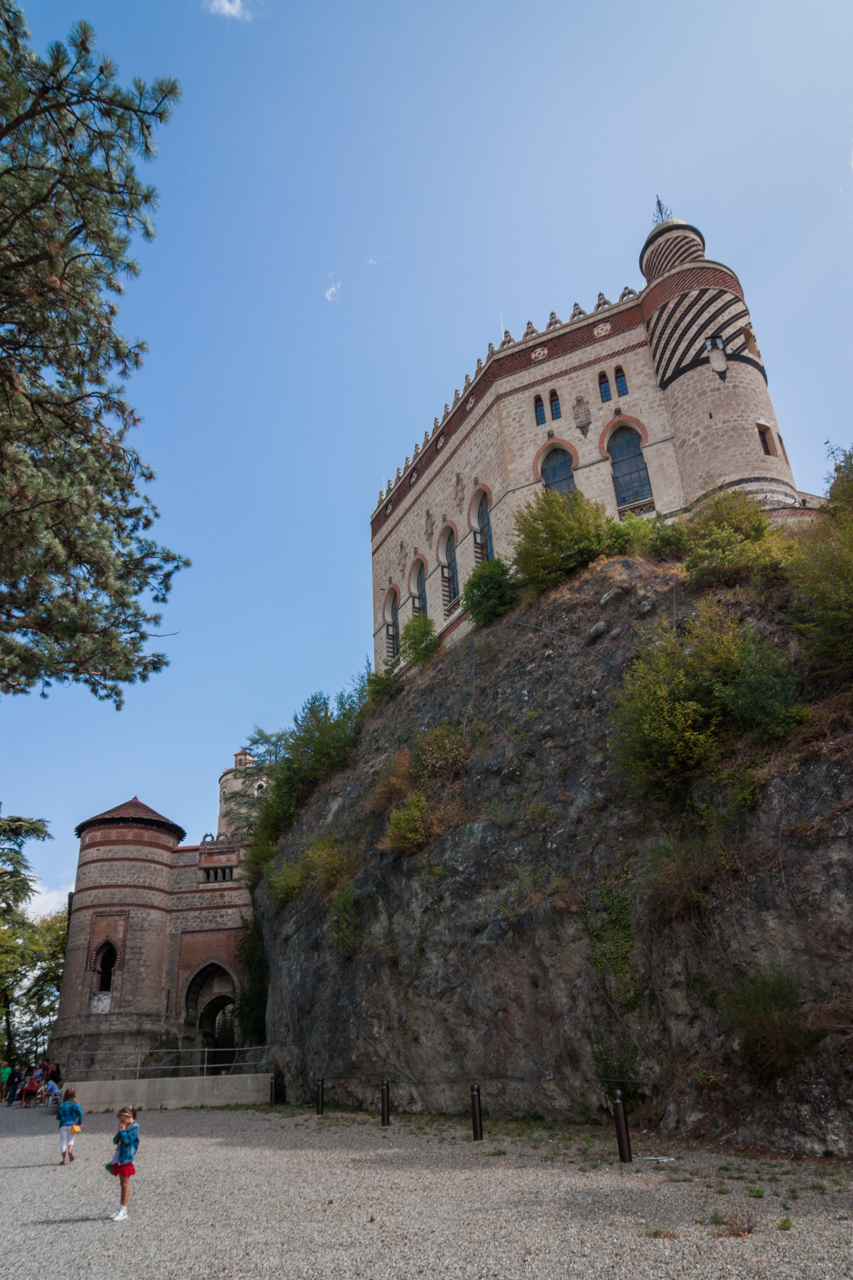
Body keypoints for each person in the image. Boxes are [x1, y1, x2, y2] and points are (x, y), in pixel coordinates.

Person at [107, 1106, 139, 1221]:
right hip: (121, 1158)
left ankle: (124, 1210)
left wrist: (123, 1131)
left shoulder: (135, 1128)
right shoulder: (126, 1127)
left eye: (122, 1121)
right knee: (122, 1183)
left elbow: (127, 1141)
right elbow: (115, 1141)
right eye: (120, 1121)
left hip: (127, 1159)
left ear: (130, 1117)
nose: (121, 1123)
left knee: (125, 1183)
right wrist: (120, 1131)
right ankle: (121, 1207)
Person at [56, 1088, 83, 1164]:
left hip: (63, 1124)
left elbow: (58, 1116)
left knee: (63, 1141)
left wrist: (61, 1118)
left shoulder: (62, 1105)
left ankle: (64, 1159)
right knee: (71, 1139)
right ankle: (70, 1151)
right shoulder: (76, 1104)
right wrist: (79, 1122)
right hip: (72, 1124)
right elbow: (80, 1114)